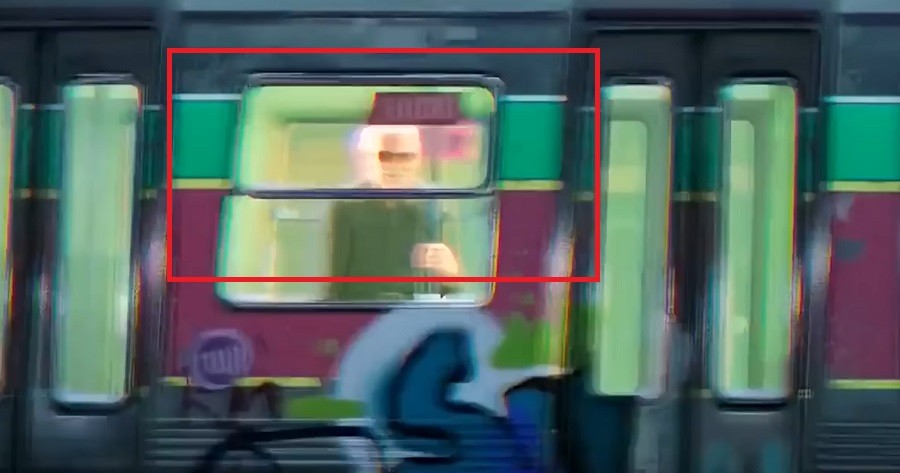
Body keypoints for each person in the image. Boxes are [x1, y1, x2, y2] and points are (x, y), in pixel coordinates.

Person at [327, 125, 462, 301]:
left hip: (417, 310)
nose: (395, 166)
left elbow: (457, 289)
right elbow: (335, 284)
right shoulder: (347, 206)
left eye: (405, 157)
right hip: (364, 308)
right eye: (386, 156)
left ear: (419, 159)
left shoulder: (438, 207)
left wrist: (451, 273)